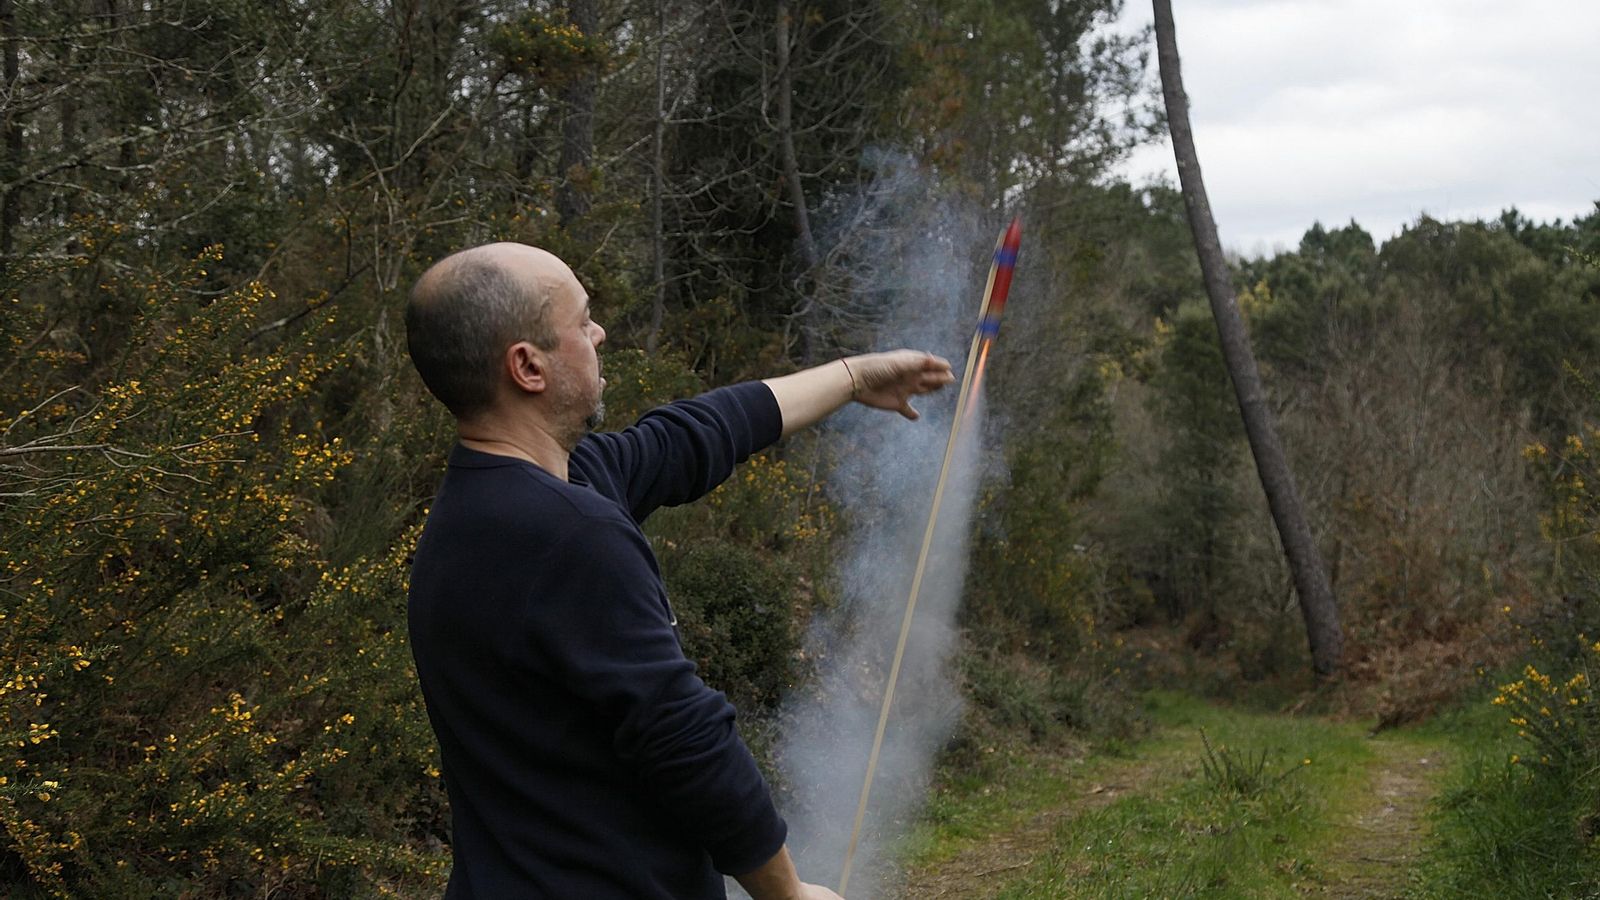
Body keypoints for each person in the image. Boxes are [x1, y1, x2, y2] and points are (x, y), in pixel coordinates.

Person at [403, 242, 954, 899]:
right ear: (528, 366)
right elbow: (683, 737)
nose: (599, 332)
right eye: (582, 322)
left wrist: (854, 378)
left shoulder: (497, 503)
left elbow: (695, 435)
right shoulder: (570, 536)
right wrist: (788, 893)